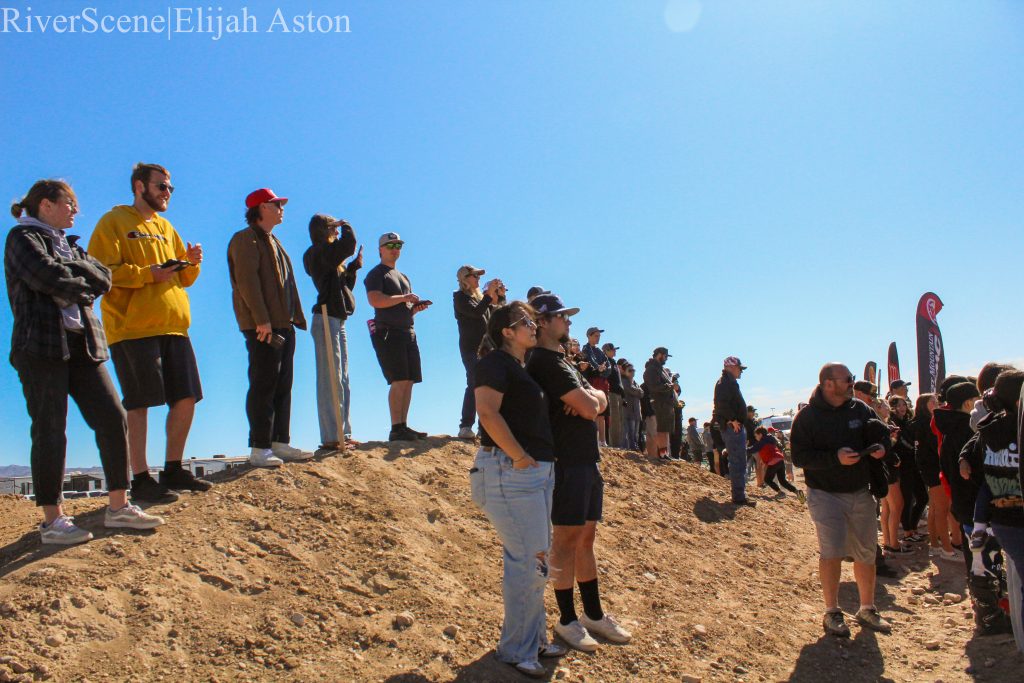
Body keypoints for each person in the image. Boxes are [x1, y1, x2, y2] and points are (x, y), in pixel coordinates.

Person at [7, 180, 164, 543]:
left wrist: (77, 282)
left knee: (113, 417)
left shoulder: (72, 245)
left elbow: (105, 279)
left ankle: (119, 506)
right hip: (41, 347)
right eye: (70, 203)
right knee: (50, 428)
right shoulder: (22, 239)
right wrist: (80, 284)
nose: (76, 210)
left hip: (84, 347)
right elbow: (45, 275)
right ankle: (53, 520)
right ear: (46, 205)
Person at [87, 162, 208, 502]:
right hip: (133, 328)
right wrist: (146, 274)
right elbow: (101, 272)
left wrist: (191, 262)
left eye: (169, 187)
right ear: (140, 186)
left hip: (175, 326)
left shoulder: (167, 227)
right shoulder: (113, 222)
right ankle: (140, 478)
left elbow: (181, 278)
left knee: (186, 397)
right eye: (161, 186)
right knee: (140, 402)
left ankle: (173, 468)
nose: (167, 192)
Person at [527, 293, 631, 652]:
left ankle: (593, 614)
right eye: (560, 316)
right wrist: (590, 403)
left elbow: (594, 404)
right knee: (567, 541)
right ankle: (567, 619)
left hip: (586, 459)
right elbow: (589, 405)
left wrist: (591, 402)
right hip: (565, 462)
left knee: (586, 539)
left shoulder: (564, 361)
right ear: (541, 322)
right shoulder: (543, 361)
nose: (568, 322)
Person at [469, 301, 567, 678]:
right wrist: (521, 457)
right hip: (511, 472)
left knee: (537, 562)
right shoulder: (494, 362)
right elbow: (487, 413)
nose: (532, 325)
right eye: (524, 321)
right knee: (528, 562)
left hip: (533, 473)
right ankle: (515, 649)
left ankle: (533, 640)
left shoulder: (519, 367)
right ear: (507, 332)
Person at [790, 362, 893, 637]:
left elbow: (881, 434)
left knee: (866, 553)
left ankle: (867, 608)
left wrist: (882, 448)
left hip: (860, 491)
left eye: (852, 378)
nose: (851, 383)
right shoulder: (807, 417)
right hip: (824, 494)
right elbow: (800, 458)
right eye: (847, 379)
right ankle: (832, 612)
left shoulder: (860, 409)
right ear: (828, 384)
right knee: (832, 551)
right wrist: (835, 458)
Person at [227, 188, 313, 467]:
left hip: (283, 324)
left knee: (283, 383)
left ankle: (279, 442)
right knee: (263, 382)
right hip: (262, 325)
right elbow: (247, 282)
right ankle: (260, 447)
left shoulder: (274, 242)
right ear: (261, 207)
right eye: (276, 204)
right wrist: (261, 319)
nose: (281, 208)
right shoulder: (245, 239)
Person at [363, 232, 431, 442]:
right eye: (390, 245)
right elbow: (375, 300)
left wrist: (414, 309)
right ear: (380, 249)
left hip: (407, 331)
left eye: (398, 245)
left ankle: (403, 425)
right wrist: (404, 298)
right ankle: (396, 428)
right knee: (399, 379)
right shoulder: (376, 274)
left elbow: (403, 308)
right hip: (388, 332)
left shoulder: (403, 276)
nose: (395, 248)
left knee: (409, 380)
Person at [302, 214, 359, 456]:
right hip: (325, 317)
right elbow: (347, 245)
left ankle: (343, 433)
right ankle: (331, 437)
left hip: (338, 318)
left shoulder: (328, 256)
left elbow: (343, 289)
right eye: (333, 227)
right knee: (330, 379)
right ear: (324, 230)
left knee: (342, 378)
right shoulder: (317, 252)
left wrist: (353, 269)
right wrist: (346, 225)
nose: (336, 231)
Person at [453, 266, 504, 439]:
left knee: (487, 386)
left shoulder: (480, 298)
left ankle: (485, 429)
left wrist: (499, 296)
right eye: (475, 275)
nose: (478, 279)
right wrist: (489, 295)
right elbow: (475, 313)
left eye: (478, 276)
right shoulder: (459, 297)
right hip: (470, 348)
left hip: (486, 350)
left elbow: (494, 318)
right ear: (464, 278)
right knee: (474, 382)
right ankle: (466, 426)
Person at [714, 356, 754, 506]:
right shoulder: (724, 383)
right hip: (733, 428)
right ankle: (738, 497)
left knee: (739, 461)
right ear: (731, 367)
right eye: (739, 368)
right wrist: (732, 419)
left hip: (734, 426)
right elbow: (720, 404)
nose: (741, 371)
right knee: (737, 461)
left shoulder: (728, 382)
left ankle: (739, 494)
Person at [750, 427, 802, 499]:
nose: (755, 438)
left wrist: (739, 449)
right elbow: (779, 447)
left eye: (756, 436)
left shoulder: (761, 442)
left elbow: (751, 449)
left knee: (767, 479)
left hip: (773, 462)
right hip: (780, 460)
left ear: (760, 434)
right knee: (783, 481)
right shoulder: (772, 439)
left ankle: (780, 493)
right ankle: (797, 492)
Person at [644, 347, 676, 461]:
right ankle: (661, 454)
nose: (666, 359)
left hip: (666, 404)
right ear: (659, 355)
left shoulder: (660, 369)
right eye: (665, 356)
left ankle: (664, 453)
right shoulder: (651, 369)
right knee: (661, 430)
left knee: (665, 430)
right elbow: (654, 386)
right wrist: (670, 386)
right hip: (659, 403)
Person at [581, 327, 611, 447]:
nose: (598, 338)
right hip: (591, 382)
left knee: (603, 413)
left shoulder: (600, 351)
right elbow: (591, 362)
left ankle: (602, 440)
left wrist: (602, 371)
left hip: (602, 383)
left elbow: (608, 366)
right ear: (589, 336)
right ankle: (593, 439)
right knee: (593, 410)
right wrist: (598, 369)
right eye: (596, 336)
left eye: (599, 336)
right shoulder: (586, 348)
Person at [603, 343, 625, 448]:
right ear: (606, 351)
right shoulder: (606, 361)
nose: (615, 351)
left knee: (619, 420)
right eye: (612, 350)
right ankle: (614, 444)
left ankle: (618, 444)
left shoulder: (614, 362)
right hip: (611, 392)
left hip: (618, 394)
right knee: (614, 420)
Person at [620, 360, 642, 451]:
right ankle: (630, 447)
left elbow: (642, 393)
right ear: (624, 371)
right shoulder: (624, 381)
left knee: (636, 432)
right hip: (629, 410)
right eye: (630, 370)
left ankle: (635, 447)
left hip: (637, 411)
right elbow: (630, 390)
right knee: (630, 431)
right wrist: (638, 391)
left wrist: (637, 391)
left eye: (633, 370)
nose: (632, 372)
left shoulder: (635, 382)